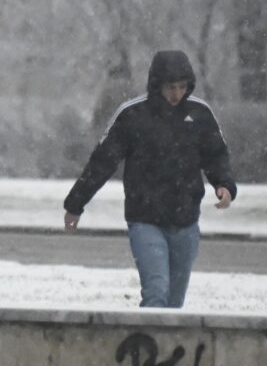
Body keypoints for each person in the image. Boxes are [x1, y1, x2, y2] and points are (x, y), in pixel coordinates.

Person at [62, 49, 236, 308]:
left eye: (181, 87)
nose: (176, 94)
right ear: (157, 85)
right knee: (156, 293)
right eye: (170, 88)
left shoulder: (200, 114)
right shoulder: (133, 115)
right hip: (145, 219)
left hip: (186, 221)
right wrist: (75, 204)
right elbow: (102, 162)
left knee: (174, 304)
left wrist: (224, 185)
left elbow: (215, 154)